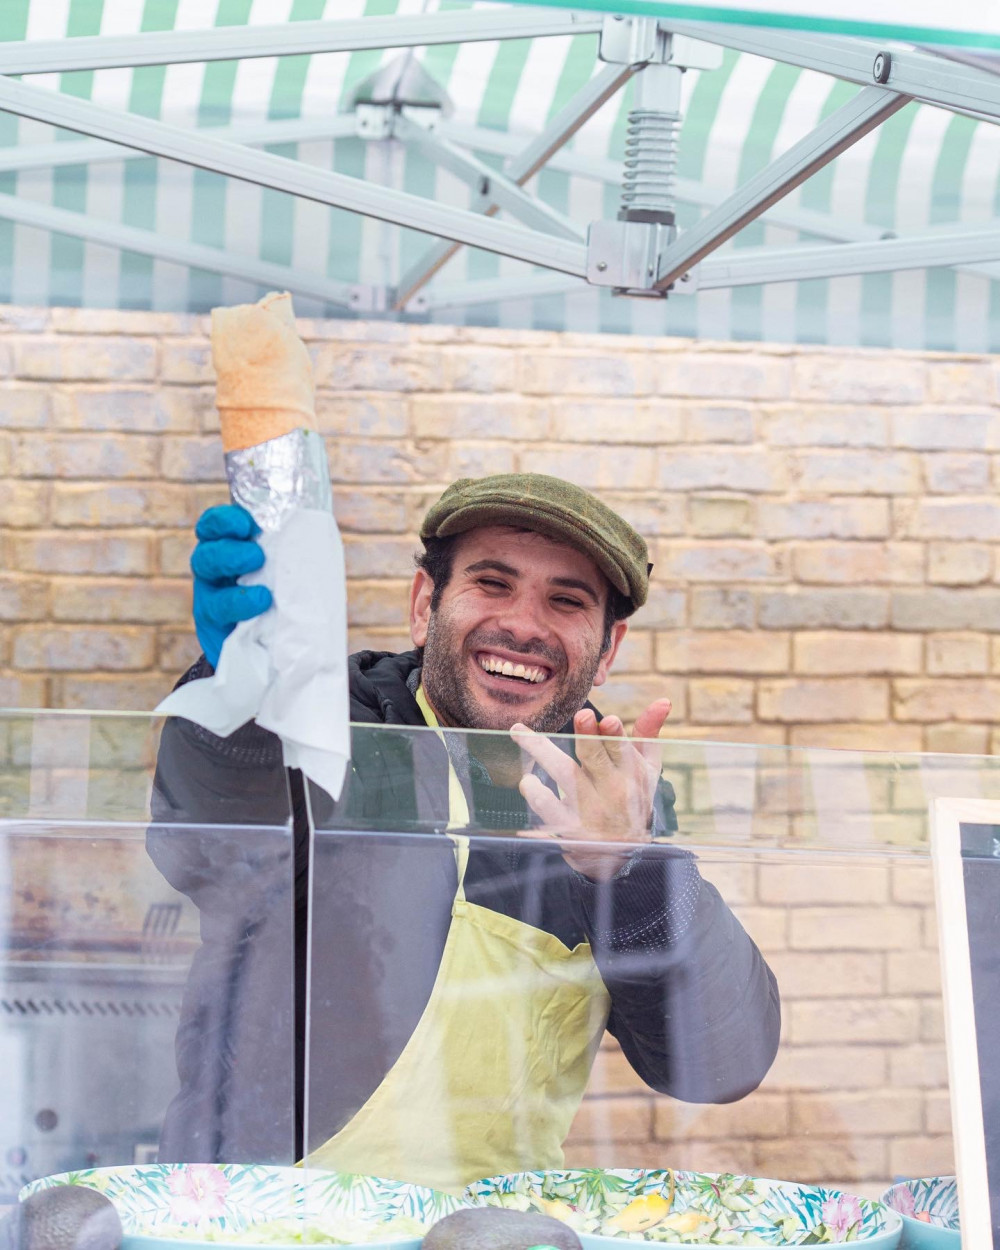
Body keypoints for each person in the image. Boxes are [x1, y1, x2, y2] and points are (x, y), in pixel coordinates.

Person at [149, 472, 780, 1192]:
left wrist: (627, 870)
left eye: (566, 601)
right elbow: (213, 847)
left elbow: (722, 1062)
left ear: (607, 650)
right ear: (426, 605)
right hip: (260, 1219)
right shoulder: (334, 727)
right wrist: (240, 700)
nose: (524, 624)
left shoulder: (606, 792)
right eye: (492, 583)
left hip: (490, 1233)